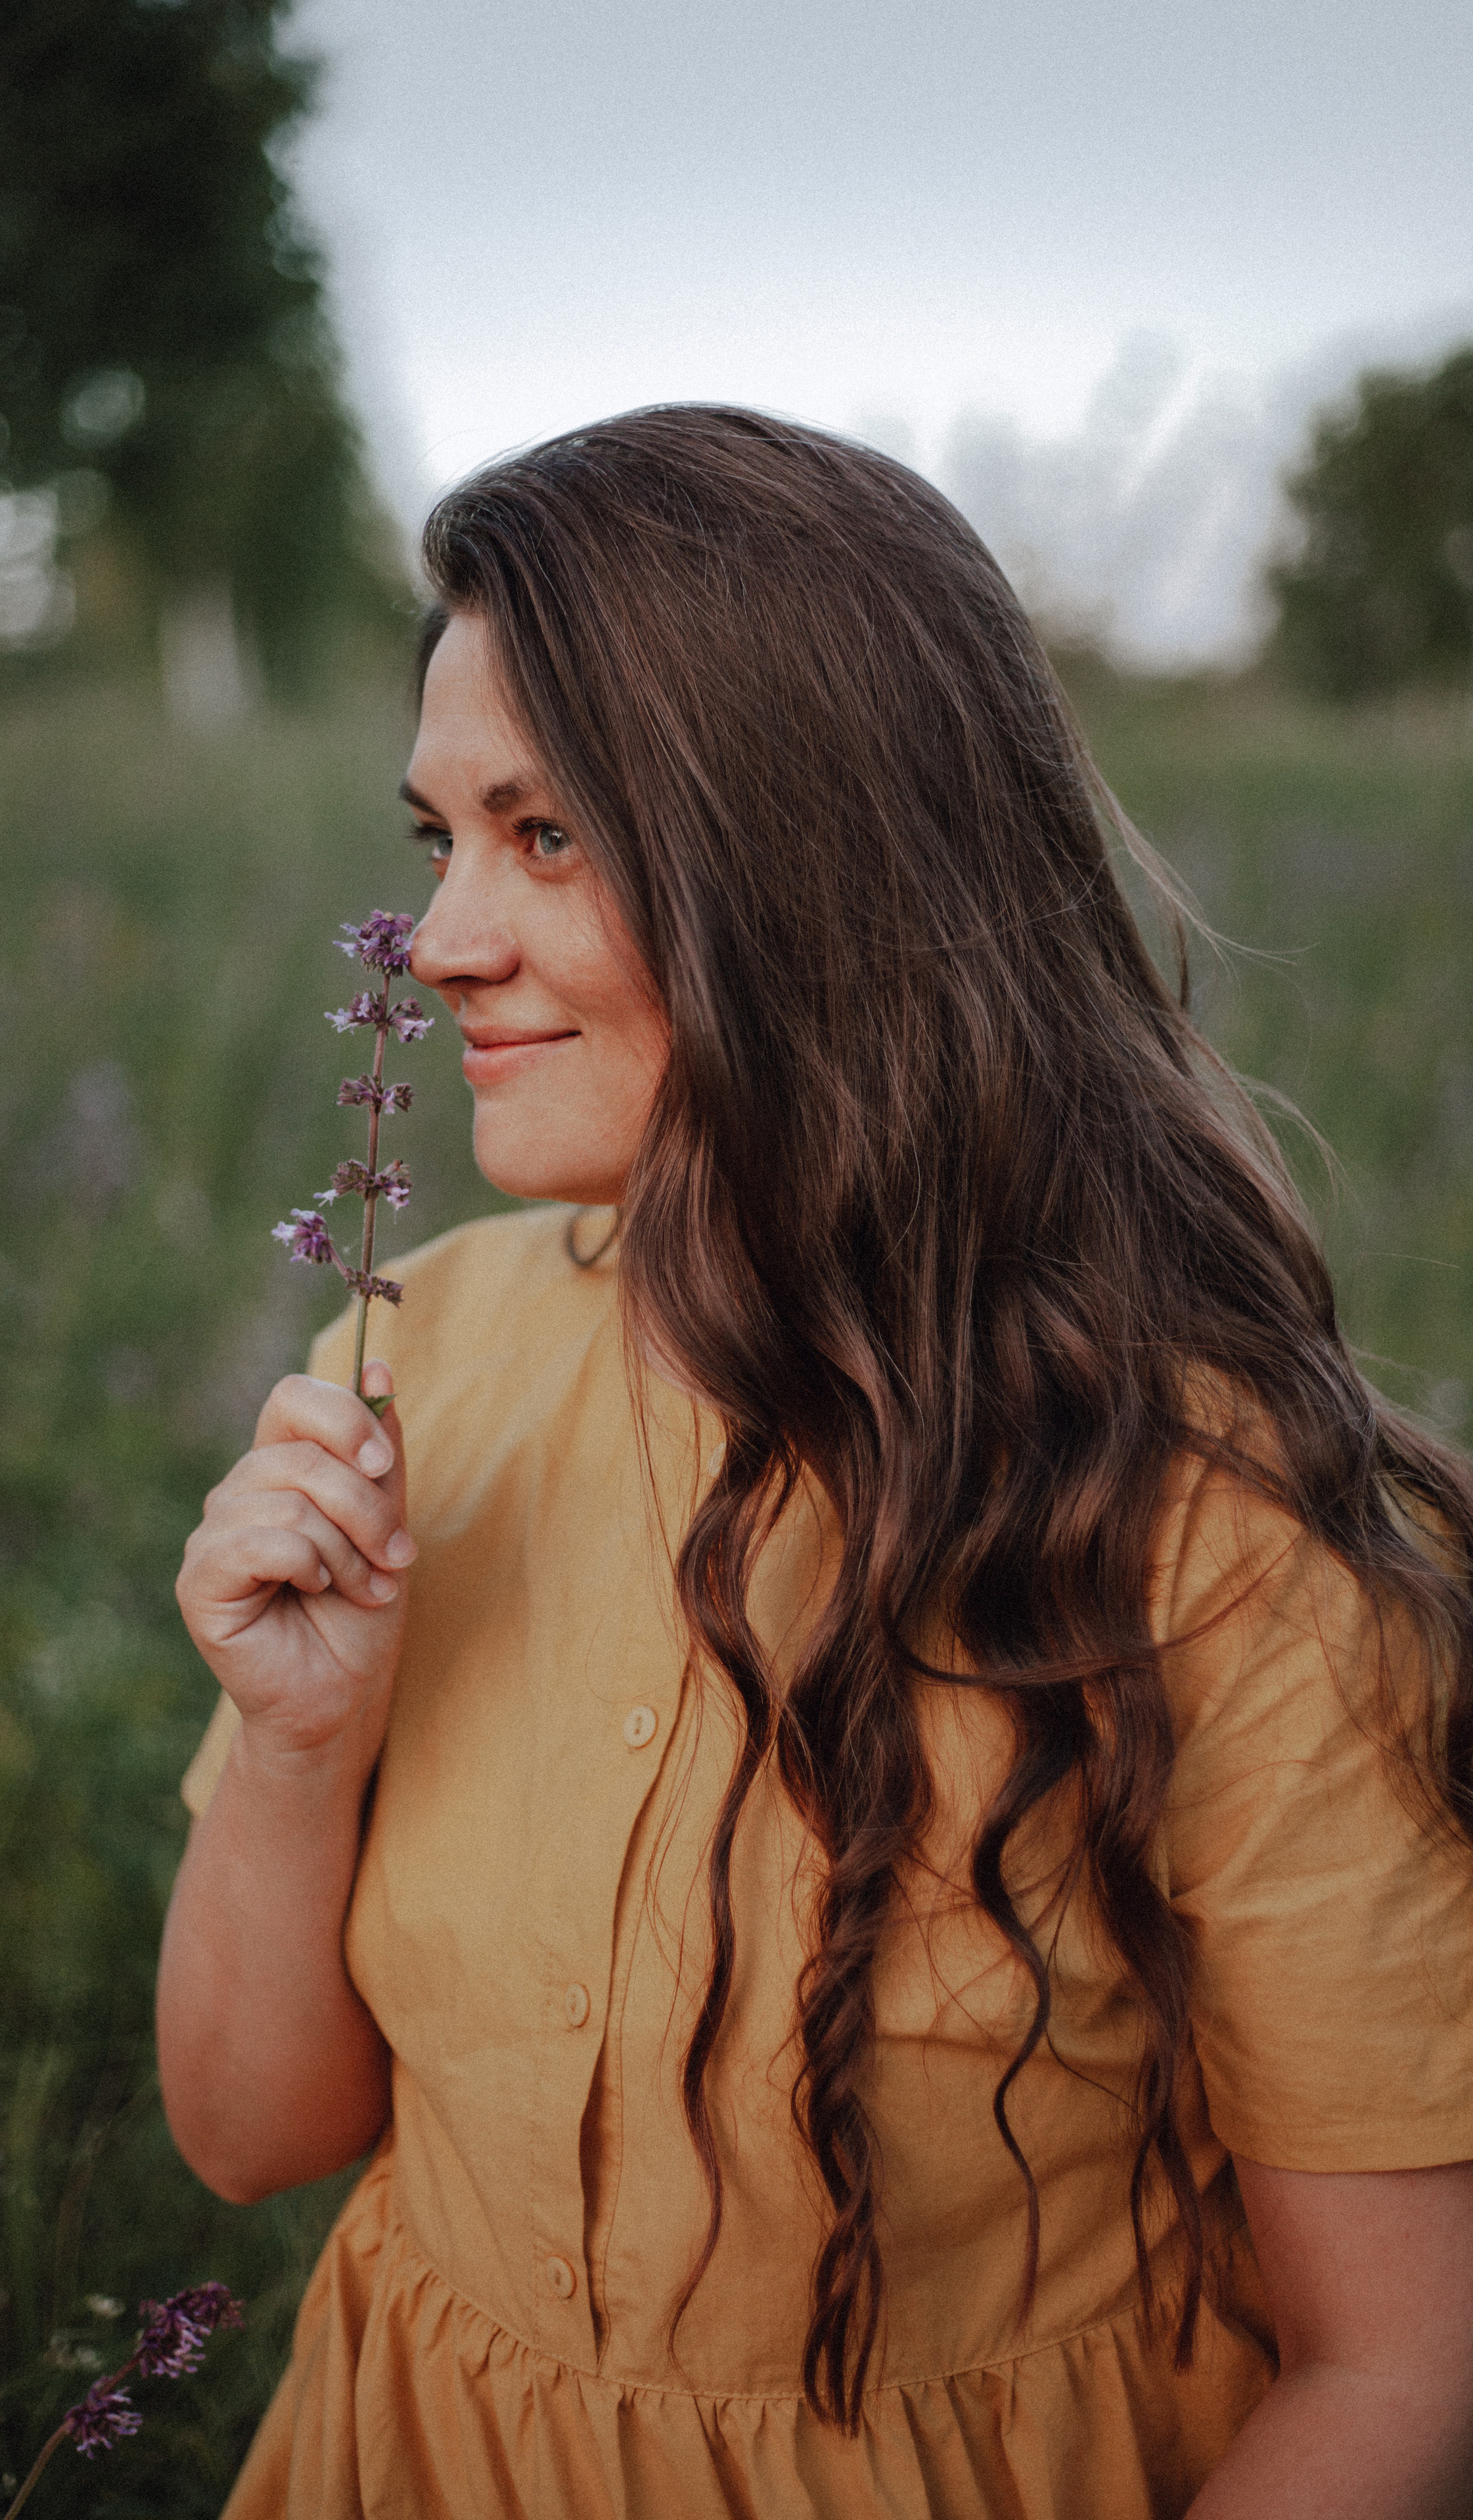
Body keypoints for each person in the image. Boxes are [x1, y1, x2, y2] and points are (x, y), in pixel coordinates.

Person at [156, 405, 1473, 2520]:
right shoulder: (422, 1361)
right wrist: (300, 1752)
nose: (444, 938)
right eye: (438, 841)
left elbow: (1404, 2373)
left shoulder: (1206, 1531)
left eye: (549, 837)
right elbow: (247, 2139)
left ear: (813, 861)